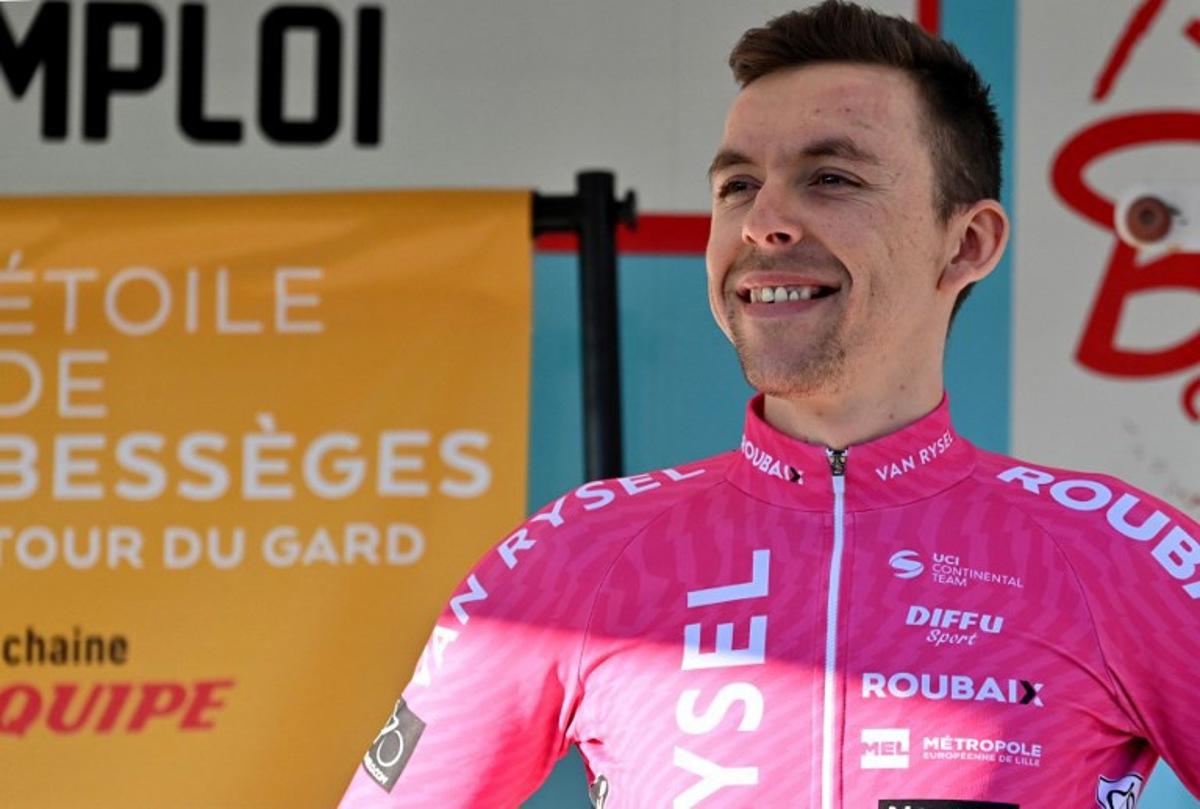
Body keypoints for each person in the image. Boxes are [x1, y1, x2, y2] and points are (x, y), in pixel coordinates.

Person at [339, 2, 1200, 807]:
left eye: (830, 177)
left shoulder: (1121, 556)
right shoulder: (575, 553)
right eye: (738, 185)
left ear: (966, 244)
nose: (764, 222)